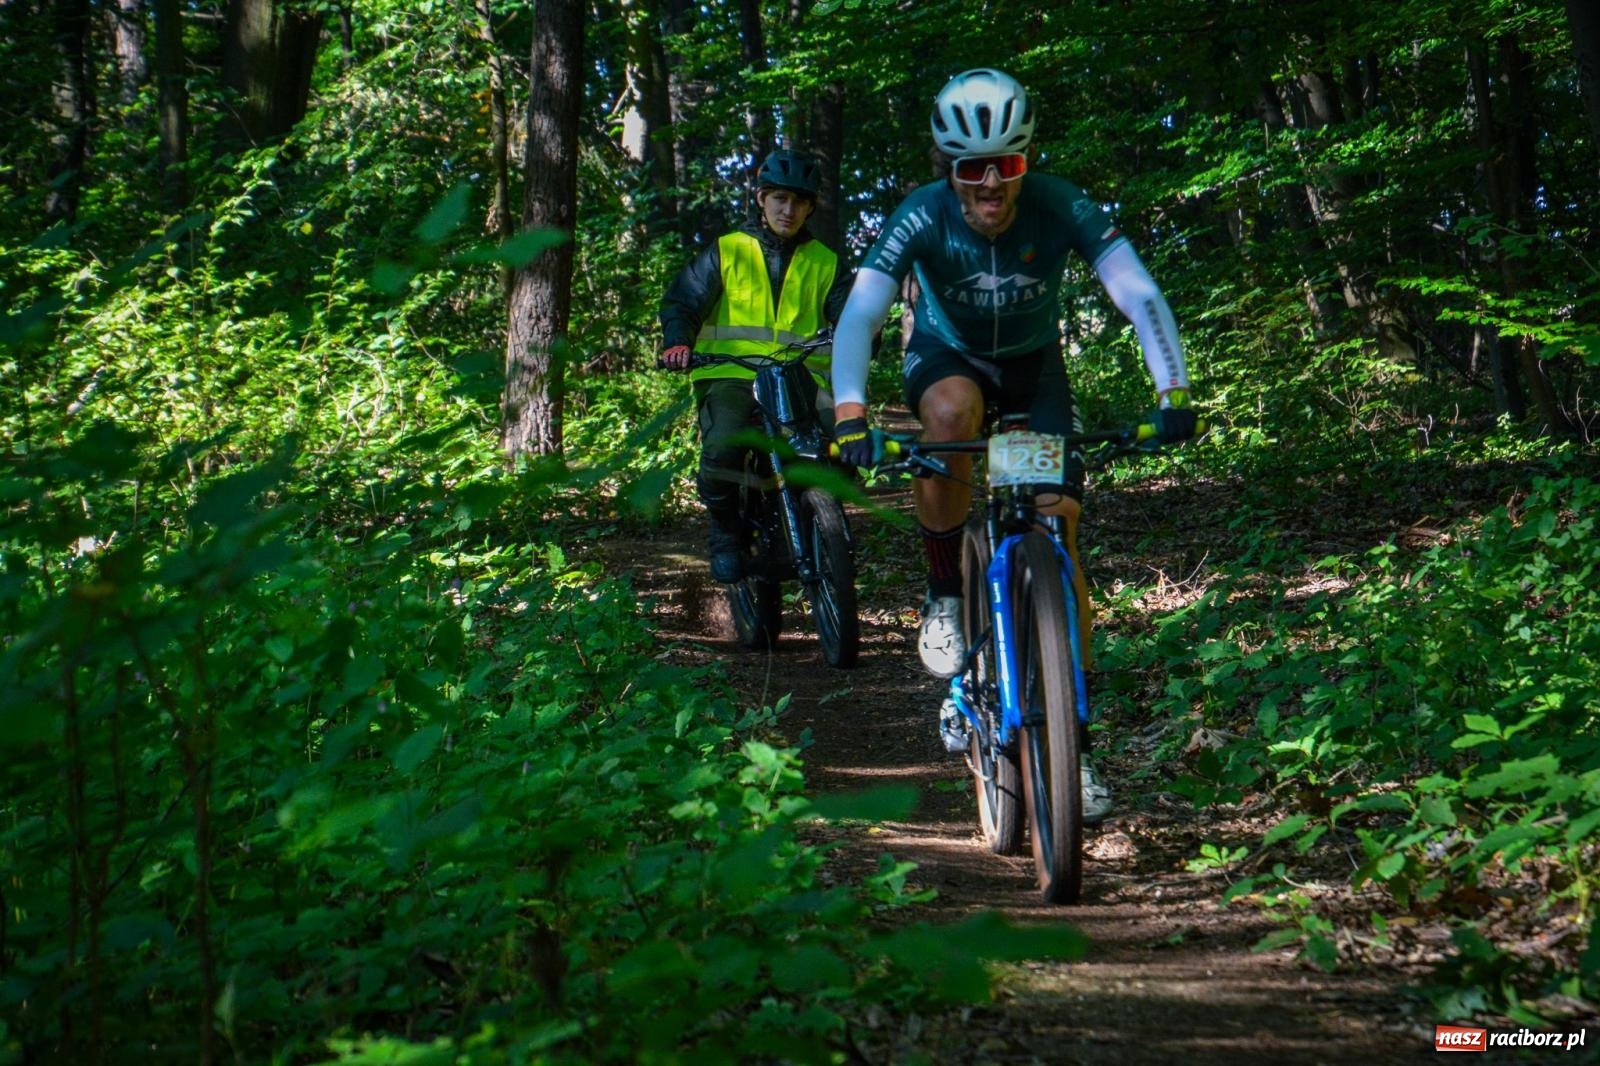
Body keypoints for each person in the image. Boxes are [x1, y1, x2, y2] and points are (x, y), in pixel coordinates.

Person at [829, 68, 1198, 823]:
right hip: (947, 358)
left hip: (1034, 372)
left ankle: (1074, 746)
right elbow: (863, 311)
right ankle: (944, 595)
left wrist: (1174, 391)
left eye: (1008, 164)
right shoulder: (922, 213)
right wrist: (850, 413)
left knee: (1058, 526)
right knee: (952, 415)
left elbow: (1137, 292)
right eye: (972, 170)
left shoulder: (1061, 204)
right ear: (950, 171)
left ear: (1027, 160)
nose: (991, 183)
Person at [659, 149, 853, 582]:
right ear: (762, 198)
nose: (789, 210)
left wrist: (862, 338)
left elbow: (853, 317)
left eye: (799, 202)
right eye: (780, 198)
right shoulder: (728, 250)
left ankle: (818, 525)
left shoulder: (826, 262)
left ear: (810, 207)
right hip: (731, 373)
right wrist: (678, 341)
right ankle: (725, 532)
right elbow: (683, 301)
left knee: (842, 447)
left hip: (800, 376)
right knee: (723, 447)